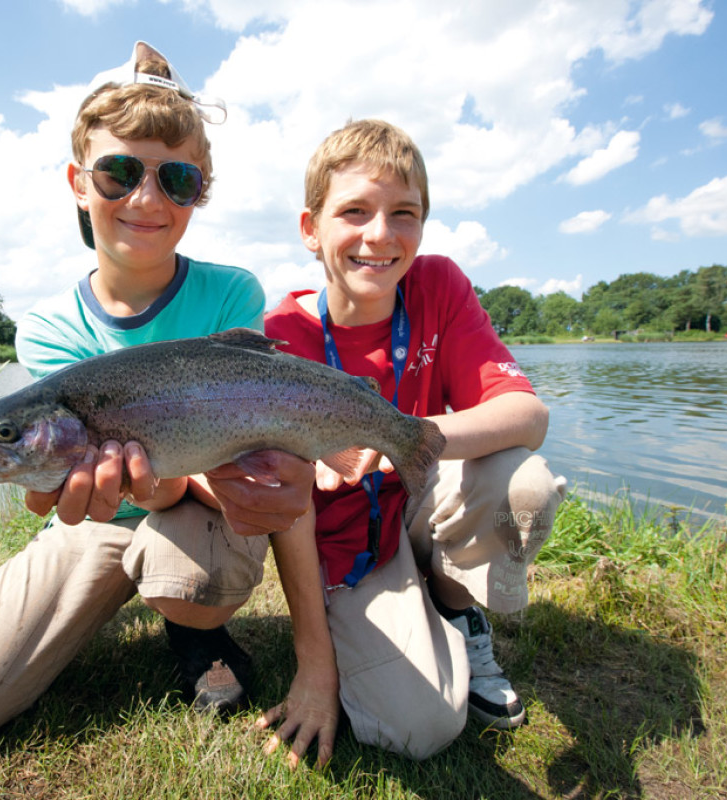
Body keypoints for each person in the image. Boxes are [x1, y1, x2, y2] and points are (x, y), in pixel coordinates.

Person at [0, 41, 315, 755]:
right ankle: (121, 600)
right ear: (78, 180)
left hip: (201, 510)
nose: (147, 199)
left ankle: (196, 630)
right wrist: (124, 486)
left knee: (190, 569)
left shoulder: (233, 293)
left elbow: (252, 452)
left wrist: (175, 485)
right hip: (92, 521)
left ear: (201, 191)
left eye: (178, 179)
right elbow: (63, 491)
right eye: (120, 172)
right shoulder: (46, 329)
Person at [258, 119, 567, 766]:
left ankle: (457, 613)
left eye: (405, 213)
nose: (380, 235)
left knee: (525, 484)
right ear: (311, 230)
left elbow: (527, 414)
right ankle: (406, 618)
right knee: (421, 729)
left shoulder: (439, 285)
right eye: (354, 212)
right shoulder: (279, 333)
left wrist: (402, 434)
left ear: (423, 225)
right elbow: (289, 507)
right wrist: (316, 665)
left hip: (418, 500)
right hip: (344, 545)